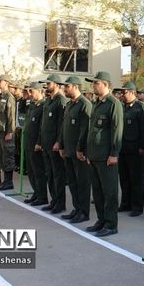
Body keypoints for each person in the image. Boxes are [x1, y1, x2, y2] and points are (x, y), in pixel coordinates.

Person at [85, 71, 123, 237]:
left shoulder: (113, 103)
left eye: (96, 83)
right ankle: (101, 220)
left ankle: (111, 223)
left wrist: (114, 153)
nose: (94, 85)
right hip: (94, 154)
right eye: (93, 83)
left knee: (109, 192)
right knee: (98, 191)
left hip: (107, 156)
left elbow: (117, 130)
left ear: (106, 84)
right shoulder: (97, 103)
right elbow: (92, 130)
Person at [58, 76, 92, 223]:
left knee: (82, 183)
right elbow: (64, 127)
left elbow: (85, 130)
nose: (65, 89)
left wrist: (80, 149)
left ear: (76, 87)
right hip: (69, 151)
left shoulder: (85, 104)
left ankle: (84, 212)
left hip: (79, 153)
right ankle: (76, 208)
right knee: (72, 182)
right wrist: (62, 145)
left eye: (67, 86)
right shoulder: (70, 104)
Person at [117, 81, 144, 217]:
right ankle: (126, 203)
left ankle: (137, 206)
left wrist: (143, 147)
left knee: (136, 179)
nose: (122, 95)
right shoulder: (123, 107)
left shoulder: (141, 107)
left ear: (132, 92)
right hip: (123, 148)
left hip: (136, 149)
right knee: (124, 178)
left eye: (124, 92)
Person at [37, 74, 68, 213]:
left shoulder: (60, 100)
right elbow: (44, 124)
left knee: (58, 175)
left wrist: (58, 142)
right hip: (46, 143)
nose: (46, 86)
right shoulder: (49, 100)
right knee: (49, 174)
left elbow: (62, 124)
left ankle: (60, 204)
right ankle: (54, 201)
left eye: (48, 84)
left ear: (55, 84)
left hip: (54, 145)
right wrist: (40, 141)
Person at [23, 82, 48, 206]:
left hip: (36, 144)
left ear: (39, 91)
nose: (30, 94)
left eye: (32, 91)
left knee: (38, 172)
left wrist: (39, 142)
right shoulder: (33, 105)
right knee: (31, 171)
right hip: (29, 142)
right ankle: (36, 193)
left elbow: (42, 127)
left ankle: (42, 196)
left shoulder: (43, 106)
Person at [0, 74, 16, 191]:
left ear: (6, 83)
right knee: (0, 156)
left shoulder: (9, 97)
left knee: (7, 156)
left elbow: (10, 116)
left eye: (0, 81)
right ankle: (2, 181)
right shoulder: (0, 96)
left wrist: (10, 131)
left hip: (6, 132)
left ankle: (8, 182)